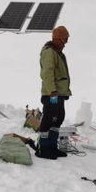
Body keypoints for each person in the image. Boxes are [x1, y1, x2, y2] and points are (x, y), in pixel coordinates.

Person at [35, 25, 71, 160]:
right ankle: (42, 148)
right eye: (65, 40)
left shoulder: (58, 53)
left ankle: (51, 147)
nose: (66, 43)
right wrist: (53, 91)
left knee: (59, 118)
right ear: (57, 38)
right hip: (52, 94)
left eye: (67, 40)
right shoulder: (49, 52)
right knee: (49, 119)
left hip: (59, 93)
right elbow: (47, 73)